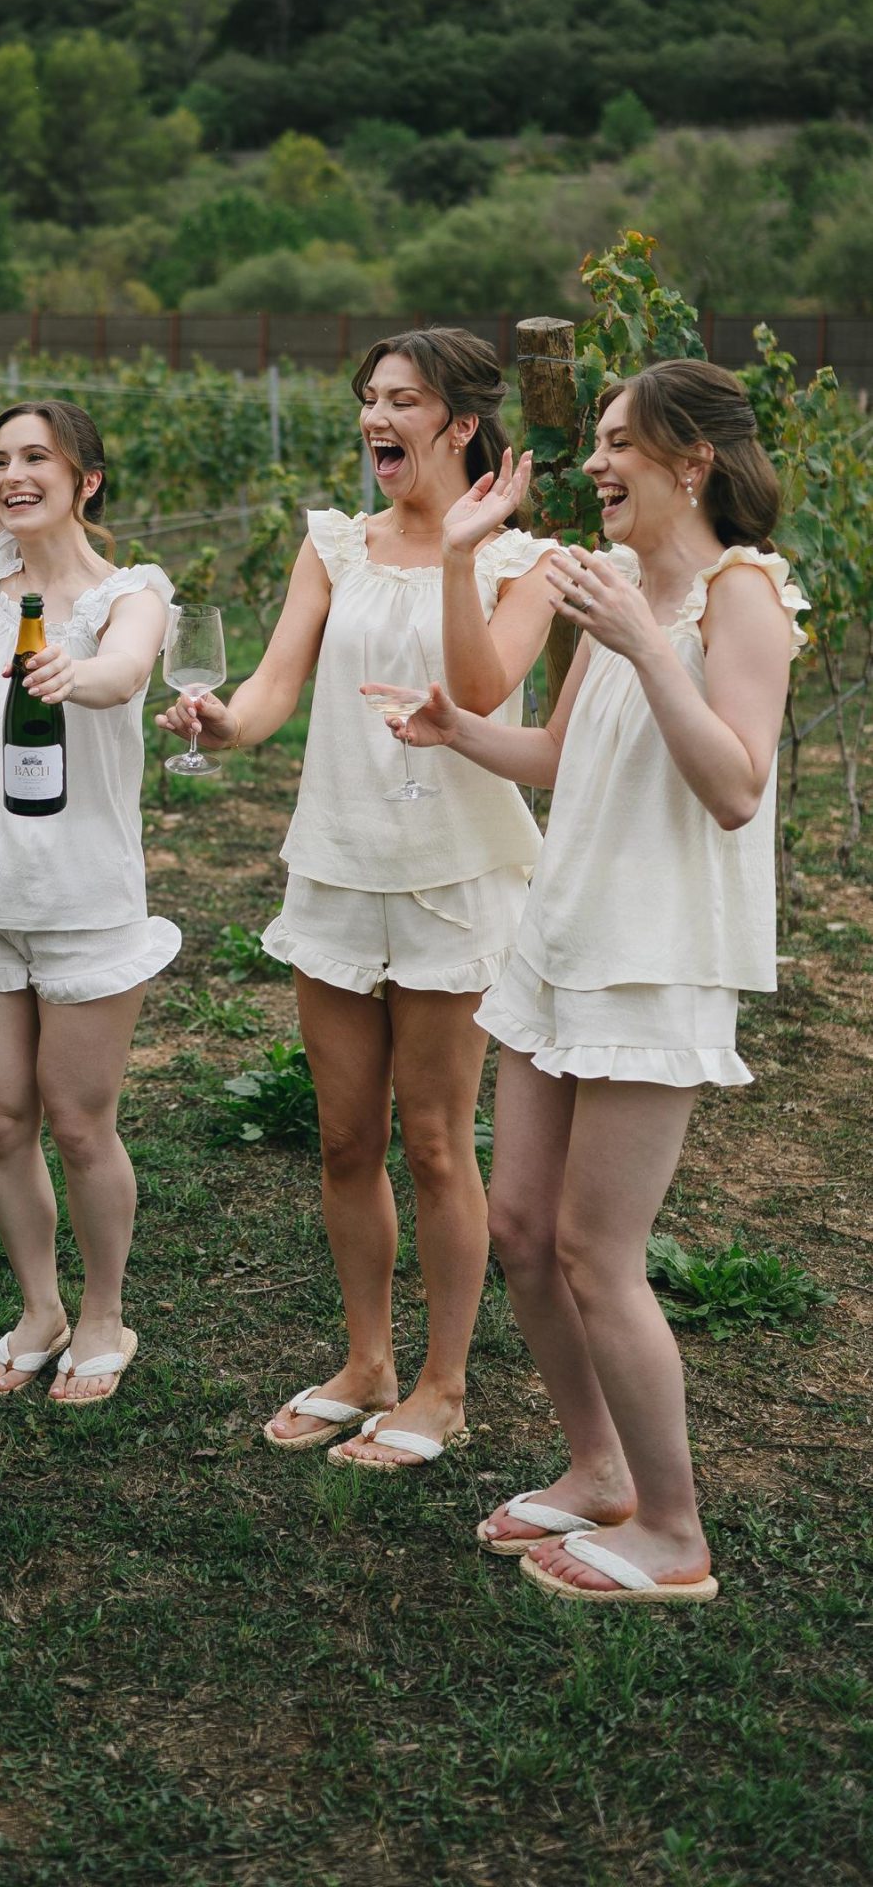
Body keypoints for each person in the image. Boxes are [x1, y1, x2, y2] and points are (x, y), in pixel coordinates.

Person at [381, 360, 804, 1601]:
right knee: (521, 1231)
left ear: (694, 463)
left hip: (656, 954)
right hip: (563, 939)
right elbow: (561, 756)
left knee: (598, 1253)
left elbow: (734, 787)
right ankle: (598, 1469)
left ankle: (674, 1535)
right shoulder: (615, 588)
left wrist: (643, 643)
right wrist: (460, 730)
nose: (597, 463)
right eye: (599, 440)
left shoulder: (746, 598)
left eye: (623, 442)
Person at [158, 331, 556, 1468]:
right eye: (369, 400)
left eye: (404, 401)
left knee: (435, 1142)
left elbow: (482, 692)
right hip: (336, 863)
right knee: (343, 1141)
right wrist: (224, 722)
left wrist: (456, 555)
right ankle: (366, 1360)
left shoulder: (518, 560)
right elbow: (276, 683)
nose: (376, 419)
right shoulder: (334, 543)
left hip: (452, 875)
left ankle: (442, 1383)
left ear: (460, 425)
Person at [0, 234, 177, 1405]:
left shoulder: (131, 592)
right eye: (3, 460)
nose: (12, 473)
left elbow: (126, 671)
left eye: (38, 459)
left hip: (79, 897)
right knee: (1, 1116)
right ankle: (38, 1304)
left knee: (78, 1120)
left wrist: (83, 676)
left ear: (86, 480)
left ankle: (107, 1314)